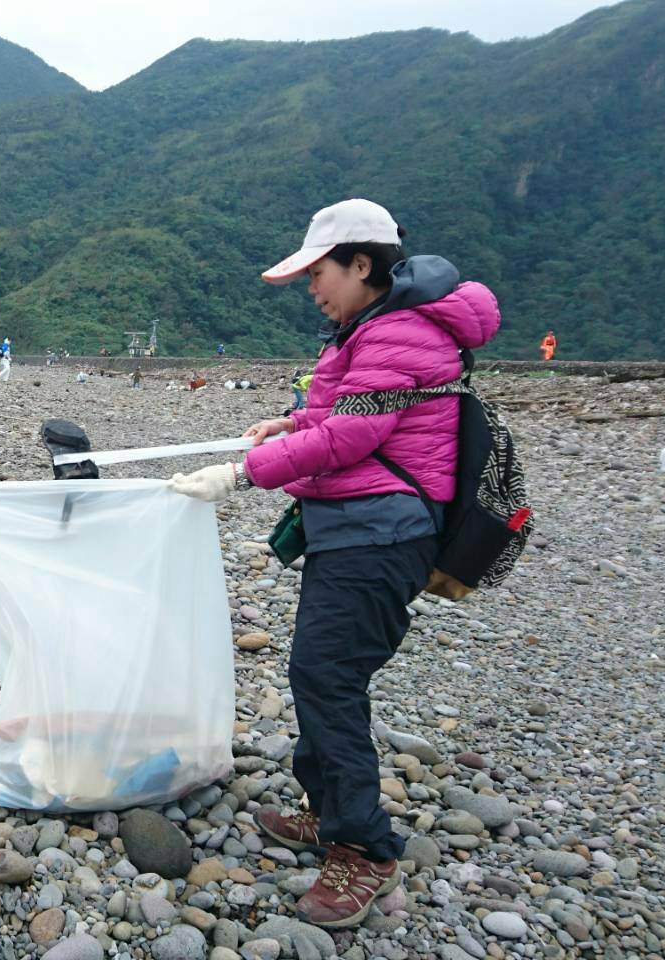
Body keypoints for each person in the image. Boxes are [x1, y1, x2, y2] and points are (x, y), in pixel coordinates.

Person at [169, 198, 500, 928]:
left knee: (329, 676)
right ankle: (329, 811)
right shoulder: (375, 327)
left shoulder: (399, 330)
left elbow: (352, 437)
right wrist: (293, 420)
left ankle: (364, 848)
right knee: (317, 671)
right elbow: (351, 414)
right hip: (352, 529)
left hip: (380, 535)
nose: (312, 287)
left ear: (361, 262)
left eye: (319, 272)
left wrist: (243, 472)